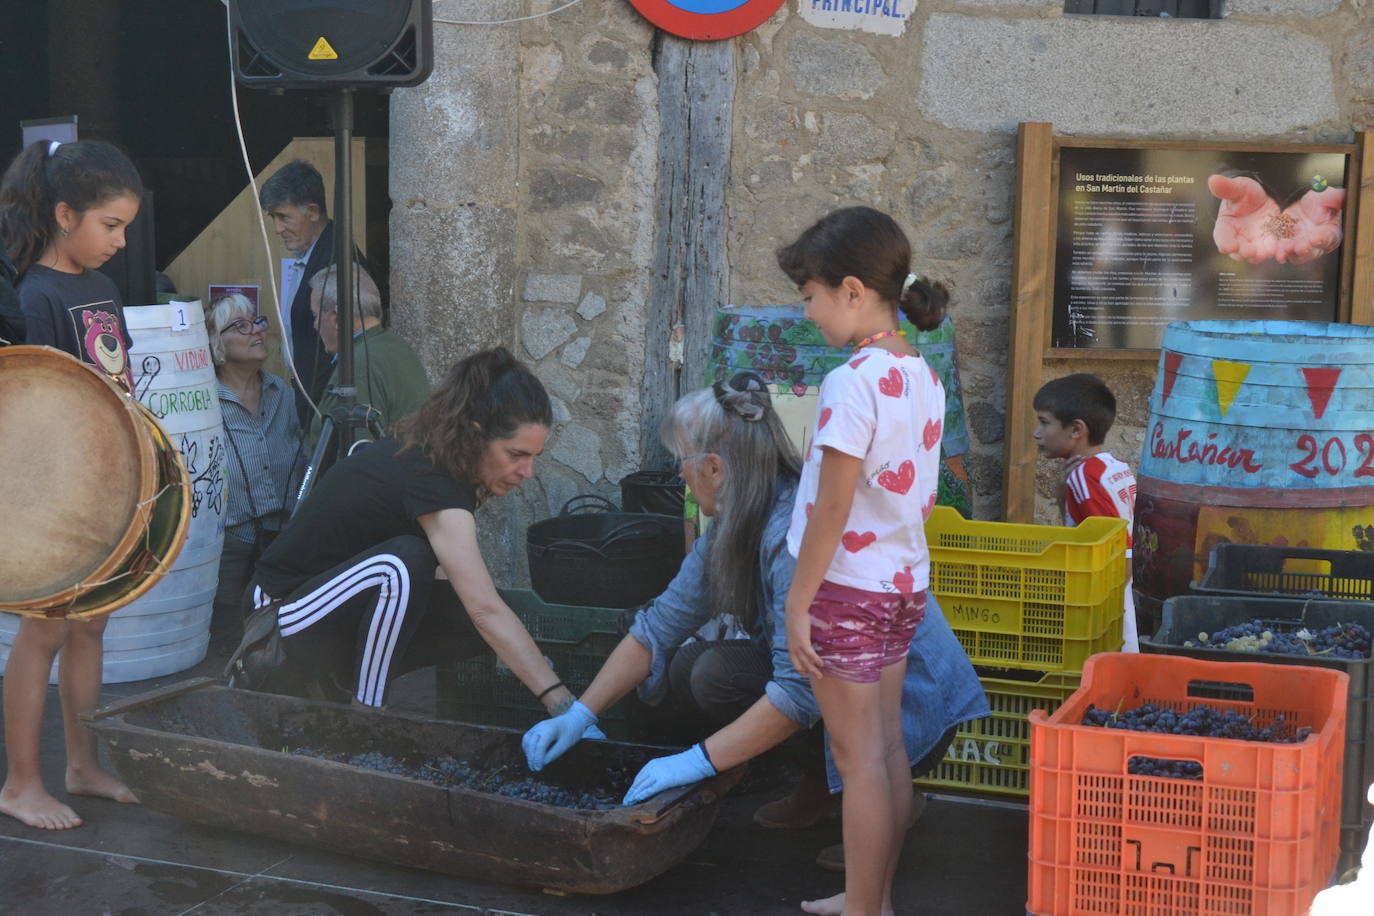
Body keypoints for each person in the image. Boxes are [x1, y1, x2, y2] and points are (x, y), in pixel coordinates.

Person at [521, 371, 987, 913]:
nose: (681, 475)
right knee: (708, 671)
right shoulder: (735, 522)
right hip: (838, 688)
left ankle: (883, 822)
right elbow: (658, 626)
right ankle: (821, 789)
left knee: (856, 746)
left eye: (683, 463)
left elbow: (801, 690)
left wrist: (697, 762)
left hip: (913, 709)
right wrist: (578, 714)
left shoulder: (793, 534)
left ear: (715, 469)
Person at [230, 347, 597, 725]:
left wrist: (530, 660)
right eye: (516, 454)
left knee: (460, 603)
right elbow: (483, 608)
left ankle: (342, 684)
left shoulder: (443, 472)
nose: (527, 472)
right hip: (273, 622)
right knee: (403, 564)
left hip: (323, 615)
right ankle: (367, 718)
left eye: (533, 457)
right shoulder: (430, 478)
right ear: (476, 434)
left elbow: (470, 601)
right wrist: (564, 705)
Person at [777, 206, 953, 916]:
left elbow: (832, 509)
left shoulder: (853, 380)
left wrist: (797, 601)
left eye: (811, 296)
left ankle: (864, 910)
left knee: (860, 764)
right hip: (902, 587)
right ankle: (869, 899)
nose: (810, 313)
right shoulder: (921, 374)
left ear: (852, 289)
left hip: (847, 593)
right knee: (885, 752)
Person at [0, 139, 144, 829]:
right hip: (52, 497)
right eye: (110, 225)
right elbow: (36, 411)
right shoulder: (35, 296)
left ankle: (81, 765)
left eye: (125, 227)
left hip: (101, 492)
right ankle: (21, 783)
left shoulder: (104, 289)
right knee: (45, 632)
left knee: (91, 626)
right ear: (64, 214)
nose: (121, 240)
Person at [207, 293, 304, 654]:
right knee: (228, 641)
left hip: (284, 537)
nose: (257, 332)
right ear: (217, 344)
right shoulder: (206, 401)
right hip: (231, 543)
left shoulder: (283, 393)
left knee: (282, 639)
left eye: (258, 322)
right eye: (241, 326)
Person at [1033, 373, 1139, 652]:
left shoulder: (1084, 477)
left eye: (1044, 423)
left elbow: (1121, 552)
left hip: (1099, 607)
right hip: (1116, 602)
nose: (1036, 433)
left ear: (1077, 429)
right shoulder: (1117, 467)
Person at [259, 160, 352, 422]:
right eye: (272, 218)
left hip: (326, 409)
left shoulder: (338, 262)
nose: (277, 229)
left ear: (312, 211)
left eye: (283, 217)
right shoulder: (311, 255)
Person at [306, 263, 428, 453]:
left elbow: (357, 457)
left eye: (315, 315)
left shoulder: (359, 365)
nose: (314, 325)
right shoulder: (396, 347)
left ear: (337, 318)